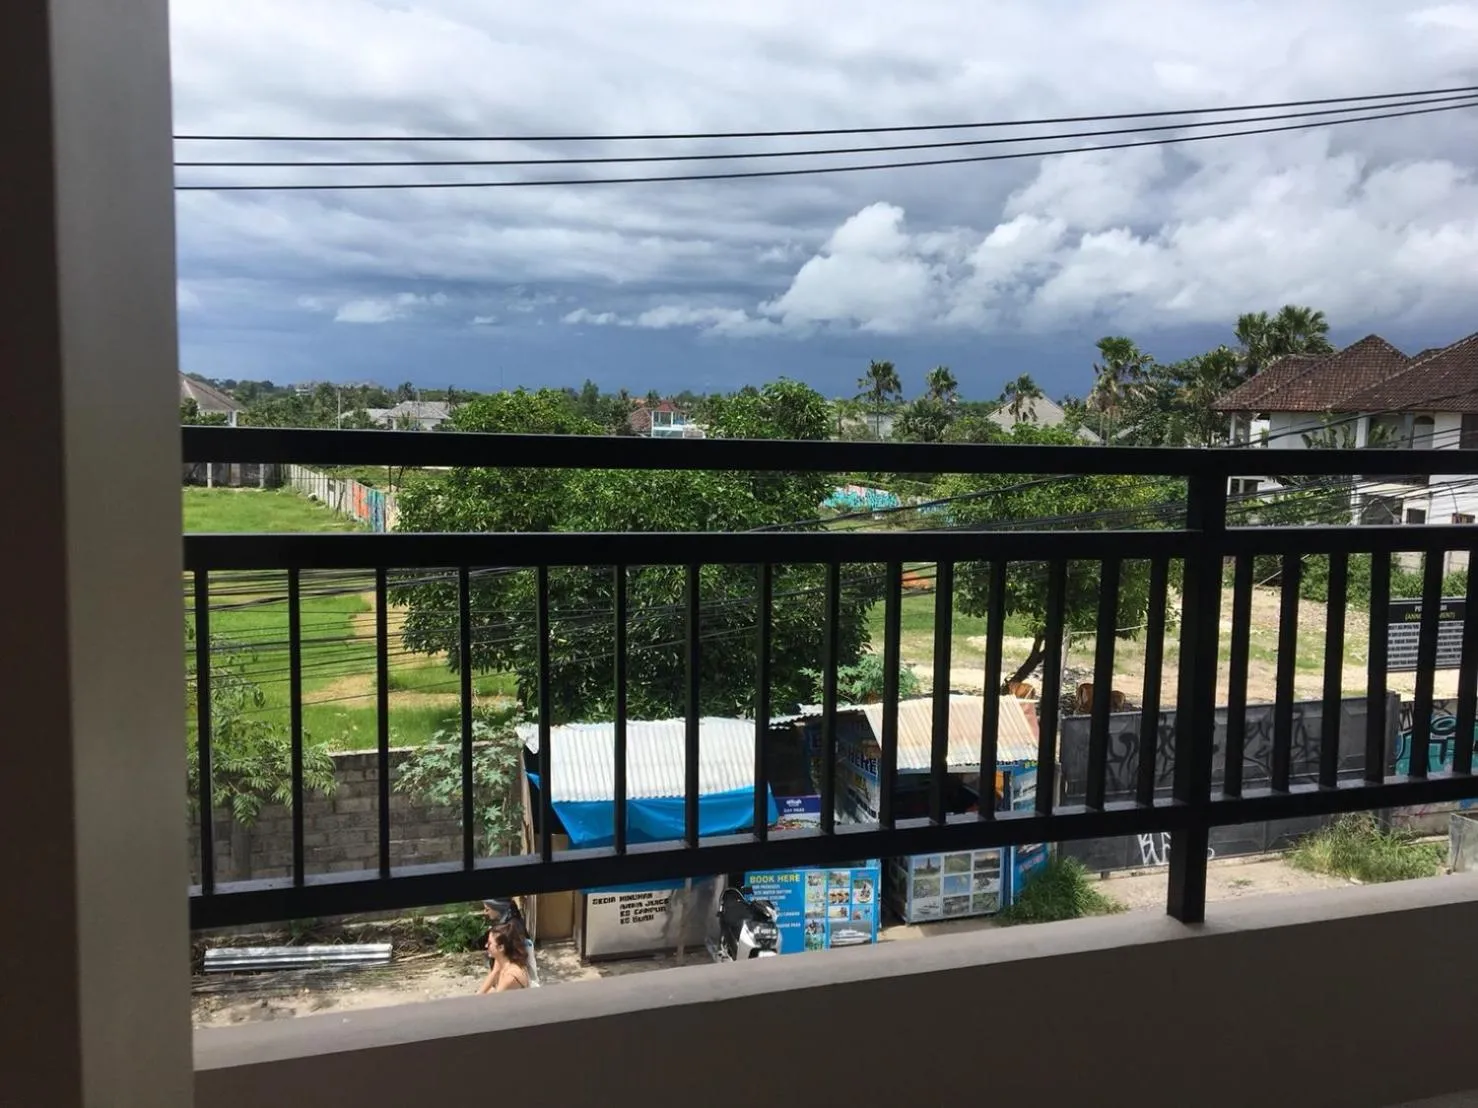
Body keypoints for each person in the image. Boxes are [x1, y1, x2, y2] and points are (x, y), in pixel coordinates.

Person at [477, 927, 530, 994]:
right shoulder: (502, 962)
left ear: (501, 948)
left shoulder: (510, 976)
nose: (486, 946)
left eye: (489, 943)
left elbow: (495, 998)